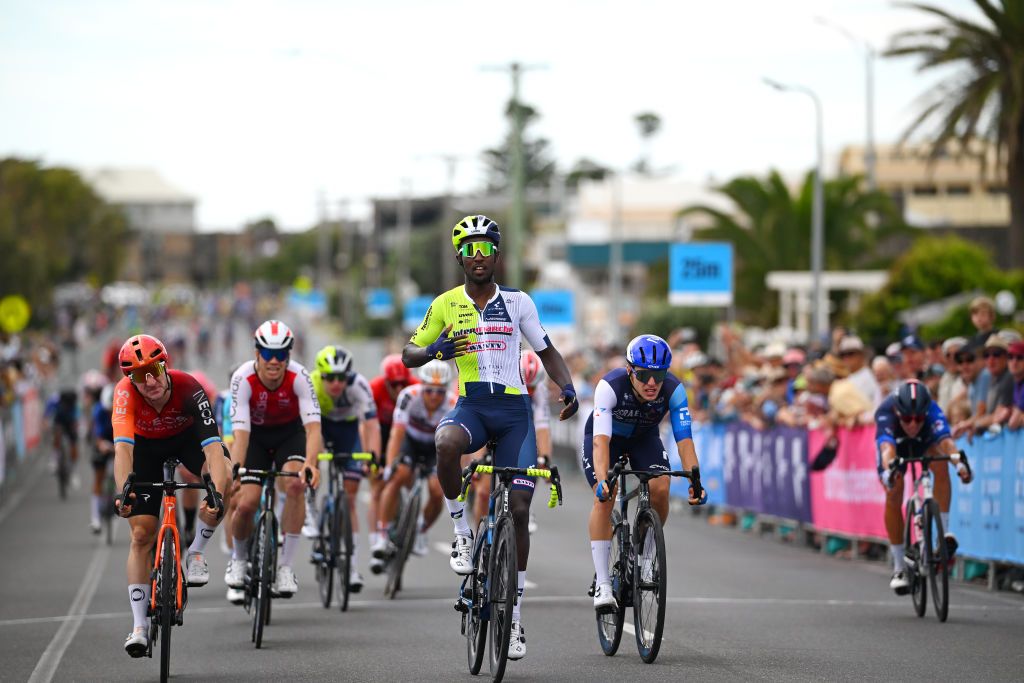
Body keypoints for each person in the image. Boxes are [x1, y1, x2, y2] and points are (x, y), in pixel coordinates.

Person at [403, 214, 579, 661]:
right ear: (460, 256)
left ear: (497, 254)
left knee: (519, 509)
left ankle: (515, 620)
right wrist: (433, 351)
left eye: (486, 249)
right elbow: (408, 354)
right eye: (470, 249)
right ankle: (462, 530)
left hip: (515, 414)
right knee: (445, 446)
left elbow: (546, 350)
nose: (479, 257)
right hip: (473, 408)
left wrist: (568, 386)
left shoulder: (519, 302)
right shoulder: (445, 303)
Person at [111, 334, 230, 656]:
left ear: (165, 364)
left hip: (186, 440)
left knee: (224, 476)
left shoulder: (189, 386)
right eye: (138, 375)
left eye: (153, 370)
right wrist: (124, 491)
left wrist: (216, 492)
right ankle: (139, 627)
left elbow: (213, 448)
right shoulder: (124, 395)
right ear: (129, 380)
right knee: (140, 535)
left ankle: (196, 552)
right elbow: (122, 449)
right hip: (145, 450)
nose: (148, 381)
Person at [585, 335, 706, 613]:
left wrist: (694, 479)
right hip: (607, 439)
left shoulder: (674, 390)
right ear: (630, 371)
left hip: (643, 438)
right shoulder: (609, 387)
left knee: (661, 488)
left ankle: (646, 556)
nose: (652, 383)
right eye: (644, 375)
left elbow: (685, 440)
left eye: (659, 375)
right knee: (604, 497)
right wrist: (603, 479)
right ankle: (603, 584)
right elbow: (600, 442)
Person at [225, 320, 322, 599]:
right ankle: (239, 558)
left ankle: (286, 567)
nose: (275, 361)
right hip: (254, 437)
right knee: (246, 503)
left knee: (294, 486)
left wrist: (310, 465)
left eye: (282, 354)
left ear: (289, 355)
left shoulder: (300, 376)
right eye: (268, 353)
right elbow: (240, 435)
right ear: (257, 352)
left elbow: (313, 428)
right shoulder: (243, 378)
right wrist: (235, 472)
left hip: (288, 436)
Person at [875, 379, 972, 594]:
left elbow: (947, 443)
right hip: (896, 447)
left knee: (941, 464)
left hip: (925, 443)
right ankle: (899, 567)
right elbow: (886, 449)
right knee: (894, 491)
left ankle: (941, 536)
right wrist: (890, 470)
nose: (912, 424)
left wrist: (960, 463)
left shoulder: (933, 411)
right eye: (907, 419)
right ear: (898, 413)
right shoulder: (885, 411)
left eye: (918, 418)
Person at [309, 344, 382, 586]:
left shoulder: (359, 385)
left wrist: (374, 458)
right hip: (320, 426)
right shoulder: (311, 385)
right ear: (321, 375)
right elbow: (309, 430)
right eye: (330, 377)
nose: (336, 383)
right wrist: (313, 459)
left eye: (341, 377)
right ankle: (311, 510)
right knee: (313, 466)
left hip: (348, 432)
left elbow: (371, 425)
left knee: (349, 497)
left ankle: (350, 568)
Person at [374, 359, 456, 561]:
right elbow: (397, 434)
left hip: (435, 447)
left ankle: (421, 530)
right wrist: (389, 466)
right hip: (410, 441)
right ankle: (382, 534)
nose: (434, 396)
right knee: (398, 475)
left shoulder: (453, 403)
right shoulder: (408, 396)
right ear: (420, 386)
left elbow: (459, 446)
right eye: (429, 390)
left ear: (446, 389)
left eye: (440, 391)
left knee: (438, 490)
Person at [472, 350, 553, 533]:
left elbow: (542, 426)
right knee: (484, 492)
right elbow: (483, 422)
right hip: (493, 428)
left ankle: (525, 502)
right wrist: (479, 458)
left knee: (536, 457)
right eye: (527, 387)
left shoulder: (539, 388)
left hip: (521, 429)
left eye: (532, 389)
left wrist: (545, 459)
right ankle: (478, 536)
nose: (529, 392)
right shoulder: (499, 379)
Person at [89, 384, 115, 533]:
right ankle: (95, 518)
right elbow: (97, 435)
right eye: (108, 411)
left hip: (120, 440)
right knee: (99, 476)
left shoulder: (124, 408)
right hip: (103, 440)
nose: (110, 412)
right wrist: (101, 444)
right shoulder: (99, 410)